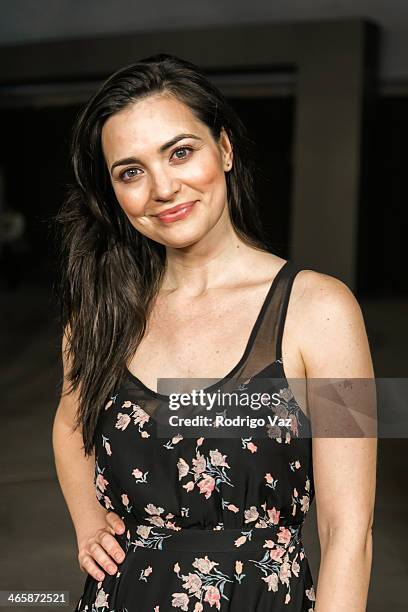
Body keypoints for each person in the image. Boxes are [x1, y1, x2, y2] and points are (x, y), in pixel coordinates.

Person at [52, 53, 377, 612]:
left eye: (180, 152)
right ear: (114, 193)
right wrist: (88, 520)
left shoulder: (322, 309)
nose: (163, 187)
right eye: (131, 171)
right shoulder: (99, 316)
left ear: (224, 149)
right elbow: (67, 425)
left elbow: (350, 530)